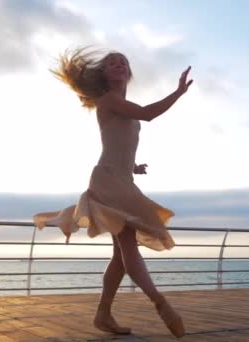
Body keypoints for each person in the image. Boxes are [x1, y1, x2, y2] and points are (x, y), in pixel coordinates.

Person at [33, 47, 193, 338]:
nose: (118, 64)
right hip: (108, 180)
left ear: (128, 72)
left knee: (120, 257)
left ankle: (103, 314)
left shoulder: (120, 104)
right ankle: (160, 303)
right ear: (104, 74)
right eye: (111, 63)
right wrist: (178, 92)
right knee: (128, 244)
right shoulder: (108, 101)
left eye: (123, 61)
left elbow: (117, 141)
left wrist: (133, 166)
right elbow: (148, 114)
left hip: (120, 179)